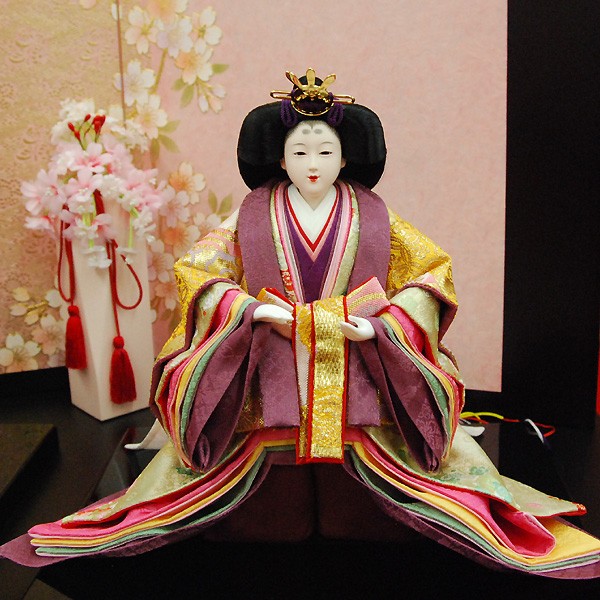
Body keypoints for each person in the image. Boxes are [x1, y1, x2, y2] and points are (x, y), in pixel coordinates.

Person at [2, 69, 599, 579]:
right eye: (300, 153)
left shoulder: (377, 218)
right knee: (266, 502)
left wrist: (385, 326)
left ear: (346, 157)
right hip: (268, 366)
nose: (313, 165)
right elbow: (199, 272)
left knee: (373, 495)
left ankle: (365, 502)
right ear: (279, 158)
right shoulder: (249, 218)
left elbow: (430, 275)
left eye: (325, 153)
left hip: (360, 365)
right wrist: (251, 311)